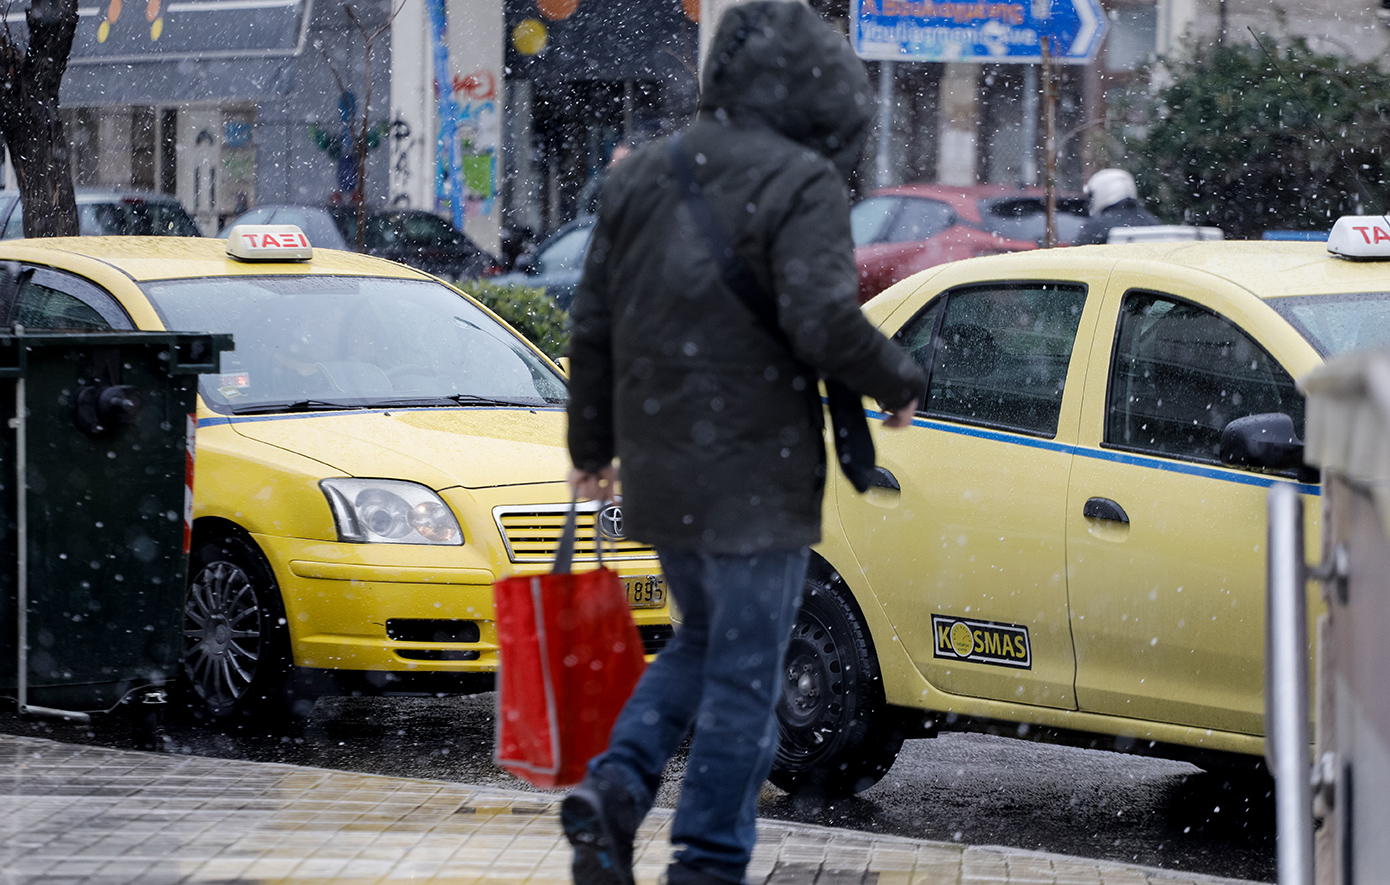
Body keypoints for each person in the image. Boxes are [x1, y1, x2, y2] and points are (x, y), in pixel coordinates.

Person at [560, 4, 928, 885]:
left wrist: (593, 444)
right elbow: (821, 320)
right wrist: (898, 378)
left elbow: (594, 321)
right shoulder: (801, 181)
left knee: (699, 643)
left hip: (661, 464)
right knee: (746, 678)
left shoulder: (643, 173)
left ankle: (614, 790)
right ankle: (708, 861)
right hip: (756, 472)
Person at [1075, 167, 1162, 245]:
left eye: (1091, 195)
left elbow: (1075, 257)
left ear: (1102, 191)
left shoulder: (1096, 228)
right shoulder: (1153, 222)